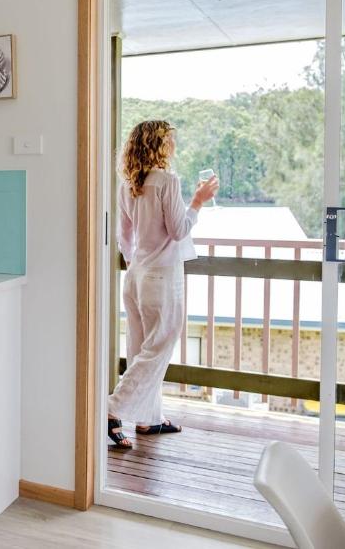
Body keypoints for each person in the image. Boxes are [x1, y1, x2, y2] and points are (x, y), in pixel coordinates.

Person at [107, 120, 219, 448]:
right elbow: (179, 230)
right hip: (162, 277)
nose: (174, 145)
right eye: (170, 140)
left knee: (141, 349)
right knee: (157, 349)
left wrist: (137, 264)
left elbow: (124, 237)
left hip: (136, 276)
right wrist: (197, 201)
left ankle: (148, 418)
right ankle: (111, 408)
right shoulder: (167, 181)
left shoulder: (128, 184)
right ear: (160, 145)